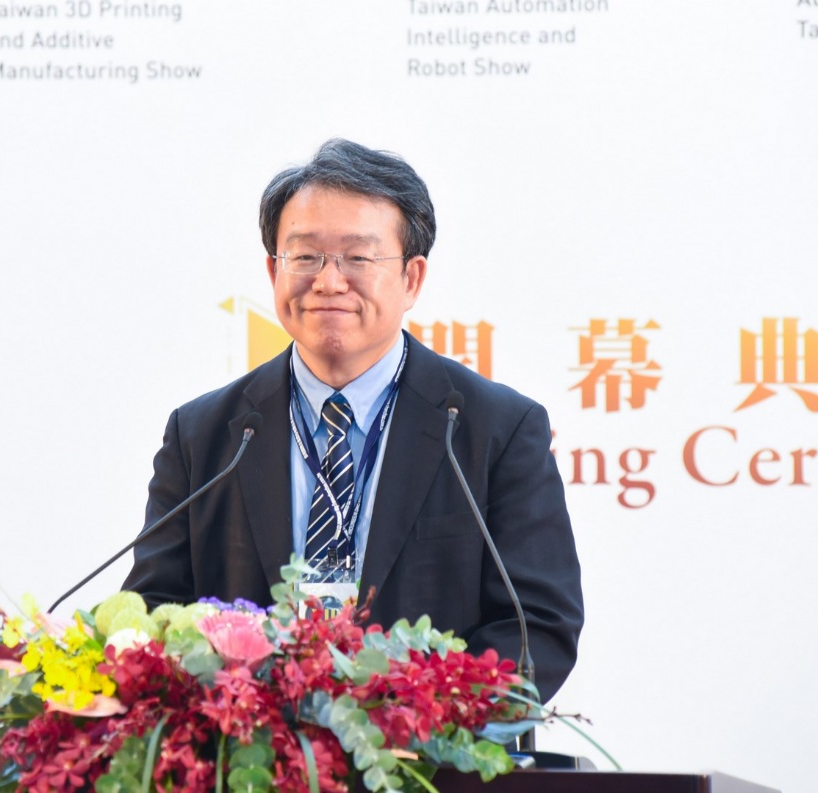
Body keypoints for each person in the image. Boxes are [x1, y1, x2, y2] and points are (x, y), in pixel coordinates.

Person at [123, 139, 584, 699]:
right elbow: (153, 615)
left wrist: (415, 717)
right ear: (273, 270)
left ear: (411, 279)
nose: (328, 281)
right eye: (305, 257)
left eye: (358, 258)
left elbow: (537, 626)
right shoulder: (204, 435)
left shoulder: (496, 431)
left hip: (422, 749)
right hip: (246, 747)